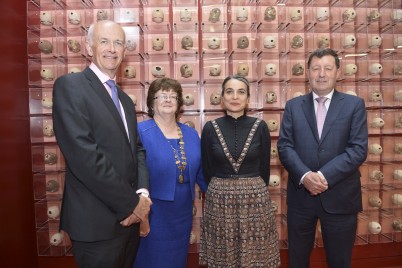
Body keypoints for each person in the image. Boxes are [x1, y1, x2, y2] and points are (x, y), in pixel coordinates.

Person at [52, 20, 151, 268]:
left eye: (118, 43)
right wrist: (131, 205)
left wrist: (142, 194)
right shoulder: (70, 87)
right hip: (95, 225)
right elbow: (85, 157)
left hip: (129, 223)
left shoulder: (126, 102)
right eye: (104, 41)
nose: (112, 48)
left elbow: (136, 151)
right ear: (89, 47)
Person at [277, 48, 368, 268]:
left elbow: (358, 149)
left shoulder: (354, 105)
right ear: (307, 73)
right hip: (301, 199)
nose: (321, 74)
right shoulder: (293, 106)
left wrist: (321, 176)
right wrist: (305, 175)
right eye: (316, 68)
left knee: (339, 261)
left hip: (341, 198)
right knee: (297, 261)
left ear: (338, 73)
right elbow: (285, 146)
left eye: (328, 68)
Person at [199, 75, 280, 267]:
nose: (235, 96)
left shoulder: (260, 127)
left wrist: (250, 187)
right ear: (222, 97)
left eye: (241, 92)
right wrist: (223, 187)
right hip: (220, 200)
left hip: (255, 199)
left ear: (248, 98)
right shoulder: (210, 128)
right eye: (229, 91)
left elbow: (264, 169)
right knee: (223, 256)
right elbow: (207, 168)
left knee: (255, 255)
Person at [133, 78, 208, 268]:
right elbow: (129, 173)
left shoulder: (191, 134)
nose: (168, 100)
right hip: (152, 211)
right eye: (162, 96)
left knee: (176, 261)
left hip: (182, 212)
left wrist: (221, 192)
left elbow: (201, 172)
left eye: (173, 96)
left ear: (179, 103)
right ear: (151, 102)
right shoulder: (139, 131)